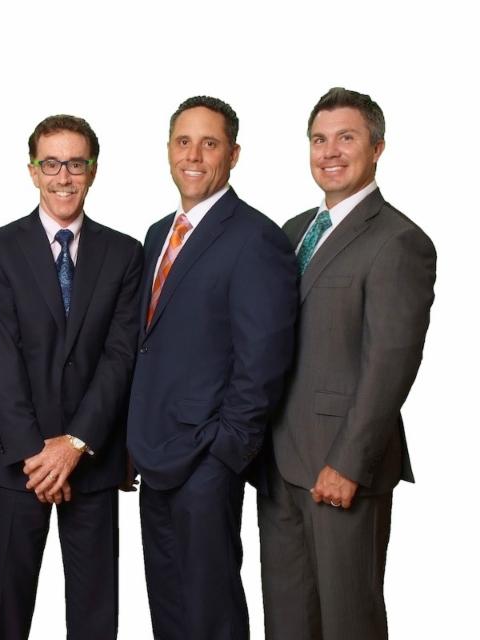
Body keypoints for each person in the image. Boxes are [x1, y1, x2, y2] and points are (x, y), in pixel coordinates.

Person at [257, 87, 437, 640]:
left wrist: (349, 463)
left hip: (340, 468)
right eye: (319, 139)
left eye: (346, 138)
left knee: (347, 621)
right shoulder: (291, 232)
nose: (329, 151)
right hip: (278, 464)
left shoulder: (399, 240)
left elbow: (390, 364)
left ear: (377, 147)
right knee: (287, 621)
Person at [127, 96, 298, 640]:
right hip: (155, 453)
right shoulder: (158, 233)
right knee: (169, 608)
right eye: (184, 142)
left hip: (207, 459)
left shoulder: (256, 238)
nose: (194, 156)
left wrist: (225, 453)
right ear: (168, 150)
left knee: (211, 610)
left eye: (209, 143)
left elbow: (262, 362)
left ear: (233, 154)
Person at [0, 114, 143, 639]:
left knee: (95, 616)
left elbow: (120, 357)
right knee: (6, 614)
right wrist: (37, 455)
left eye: (75, 164)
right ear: (32, 171)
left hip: (92, 460)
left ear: (93, 170)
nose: (63, 177)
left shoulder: (125, 253)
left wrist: (74, 444)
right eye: (51, 164)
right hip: (17, 464)